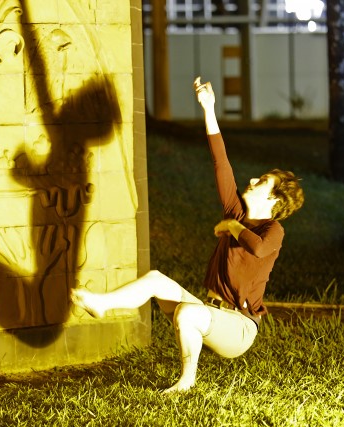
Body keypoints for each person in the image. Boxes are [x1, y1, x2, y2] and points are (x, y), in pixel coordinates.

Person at [71, 76, 304, 393]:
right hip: (211, 312)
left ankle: (186, 381)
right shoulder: (235, 212)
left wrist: (234, 228)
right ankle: (102, 304)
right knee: (155, 279)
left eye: (262, 181)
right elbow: (220, 163)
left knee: (188, 312)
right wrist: (209, 109)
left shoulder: (272, 230)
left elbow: (259, 250)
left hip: (239, 328)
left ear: (274, 200)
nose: (251, 180)